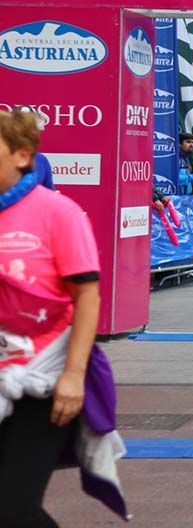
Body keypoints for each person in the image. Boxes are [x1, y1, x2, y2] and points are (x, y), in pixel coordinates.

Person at [0, 109, 103, 525]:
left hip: (40, 382)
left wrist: (74, 376)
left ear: (22, 155)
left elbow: (88, 297)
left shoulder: (57, 213)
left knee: (13, 508)